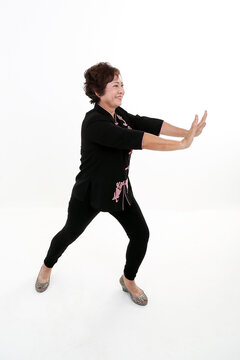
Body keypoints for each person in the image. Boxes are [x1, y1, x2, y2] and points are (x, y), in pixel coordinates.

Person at [35, 62, 207, 306]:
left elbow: (144, 123)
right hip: (90, 194)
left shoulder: (119, 115)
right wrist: (181, 145)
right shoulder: (94, 122)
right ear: (97, 92)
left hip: (119, 191)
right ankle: (46, 266)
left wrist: (186, 132)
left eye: (122, 84)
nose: (122, 90)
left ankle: (128, 279)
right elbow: (135, 139)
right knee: (69, 233)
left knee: (140, 235)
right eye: (115, 85)